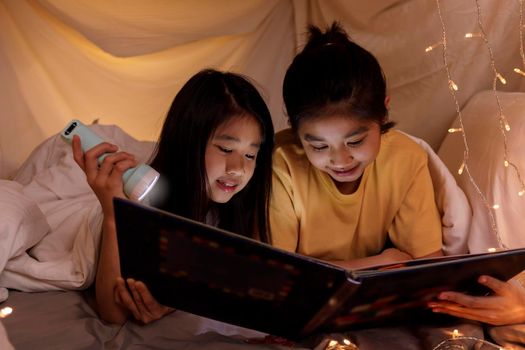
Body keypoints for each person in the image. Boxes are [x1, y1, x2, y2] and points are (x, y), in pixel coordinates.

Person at [71, 69, 275, 324]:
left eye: (250, 155)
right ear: (187, 142)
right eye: (226, 149)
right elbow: (114, 314)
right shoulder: (146, 199)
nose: (238, 168)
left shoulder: (241, 208)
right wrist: (114, 211)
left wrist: (174, 303)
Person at [269, 22, 443, 269]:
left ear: (383, 113)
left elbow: (429, 266)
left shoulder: (406, 159)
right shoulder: (281, 163)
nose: (340, 160)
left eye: (355, 141)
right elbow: (278, 275)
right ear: (296, 132)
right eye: (319, 147)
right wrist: (378, 262)